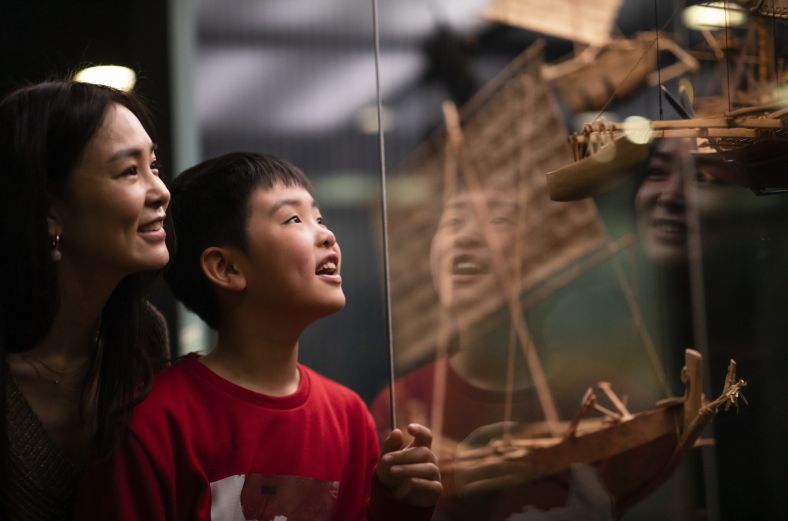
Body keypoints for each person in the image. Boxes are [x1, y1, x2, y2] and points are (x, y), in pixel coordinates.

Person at [74, 152, 441, 520]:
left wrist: (399, 503)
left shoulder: (349, 418)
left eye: (320, 217)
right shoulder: (155, 422)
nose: (327, 235)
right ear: (227, 268)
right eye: (294, 218)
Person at [0, 80, 172, 520]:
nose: (161, 191)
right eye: (129, 171)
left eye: (153, 165)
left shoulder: (143, 339)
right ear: (50, 211)